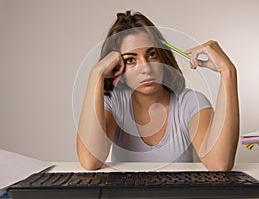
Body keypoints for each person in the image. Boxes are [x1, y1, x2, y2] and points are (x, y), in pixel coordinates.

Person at [76, 10, 239, 171]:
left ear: (162, 57)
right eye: (131, 60)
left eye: (152, 54)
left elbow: (219, 164)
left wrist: (228, 71)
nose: (146, 68)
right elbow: (90, 161)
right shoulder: (114, 102)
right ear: (117, 68)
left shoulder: (190, 103)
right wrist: (96, 75)